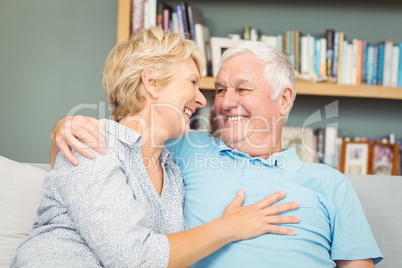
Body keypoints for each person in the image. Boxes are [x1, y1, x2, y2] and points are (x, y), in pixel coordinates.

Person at [50, 41, 383, 267]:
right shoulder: (183, 148)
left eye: (242, 88)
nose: (224, 102)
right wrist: (64, 127)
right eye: (220, 89)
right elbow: (101, 150)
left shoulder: (329, 183)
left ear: (284, 99)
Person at [12, 27, 301, 268]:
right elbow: (133, 258)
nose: (203, 100)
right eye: (192, 82)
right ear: (150, 83)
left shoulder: (172, 173)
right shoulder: (93, 142)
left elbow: (172, 254)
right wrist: (230, 227)